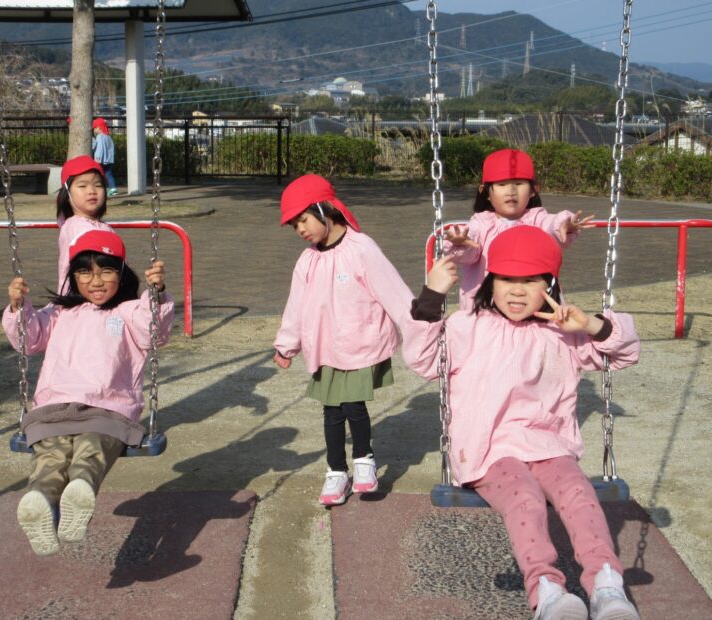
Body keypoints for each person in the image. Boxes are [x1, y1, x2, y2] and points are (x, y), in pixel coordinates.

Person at [402, 225, 641, 620]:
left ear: (550, 285)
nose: (516, 291)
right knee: (524, 498)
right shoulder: (467, 327)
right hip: (490, 450)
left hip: (549, 445)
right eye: (506, 280)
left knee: (578, 492)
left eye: (530, 281)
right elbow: (424, 360)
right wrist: (432, 295)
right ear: (490, 283)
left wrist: (589, 325)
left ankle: (606, 586)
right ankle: (547, 590)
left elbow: (624, 354)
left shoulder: (563, 333)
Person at [3, 229, 173, 556]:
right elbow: (29, 340)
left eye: (105, 271)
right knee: (50, 458)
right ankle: (40, 500)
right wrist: (18, 307)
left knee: (91, 449)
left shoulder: (129, 312)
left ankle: (78, 492)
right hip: (55, 408)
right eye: (85, 272)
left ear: (121, 273)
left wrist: (157, 294)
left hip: (106, 410)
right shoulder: (59, 313)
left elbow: (155, 332)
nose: (95, 281)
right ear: (73, 277)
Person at [273, 174, 414, 506]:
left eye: (303, 220)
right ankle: (336, 470)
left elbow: (392, 288)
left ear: (324, 209)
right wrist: (286, 344)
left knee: (352, 405)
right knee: (332, 411)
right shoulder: (308, 260)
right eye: (294, 225)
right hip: (325, 347)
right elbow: (296, 305)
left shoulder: (361, 249)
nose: (300, 229)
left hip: (358, 343)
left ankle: (364, 459)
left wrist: (418, 324)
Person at [443, 148, 593, 309]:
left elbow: (552, 224)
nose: (511, 192)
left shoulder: (537, 220)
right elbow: (471, 242)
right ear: (485, 192)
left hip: (532, 305)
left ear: (533, 190)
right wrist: (460, 242)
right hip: (488, 306)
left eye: (519, 184)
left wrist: (563, 224)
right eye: (502, 185)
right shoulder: (481, 223)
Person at [55, 155, 115, 293]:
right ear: (67, 194)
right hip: (85, 298)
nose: (92, 191)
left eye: (98, 185)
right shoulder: (75, 228)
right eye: (82, 186)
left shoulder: (104, 226)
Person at [91, 117, 117, 196]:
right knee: (109, 174)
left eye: (95, 128)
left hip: (101, 160)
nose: (94, 130)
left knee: (99, 175)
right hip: (109, 160)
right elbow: (112, 148)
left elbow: (100, 149)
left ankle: (101, 189)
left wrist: (97, 158)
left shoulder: (100, 137)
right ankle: (113, 189)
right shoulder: (108, 137)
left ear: (99, 128)